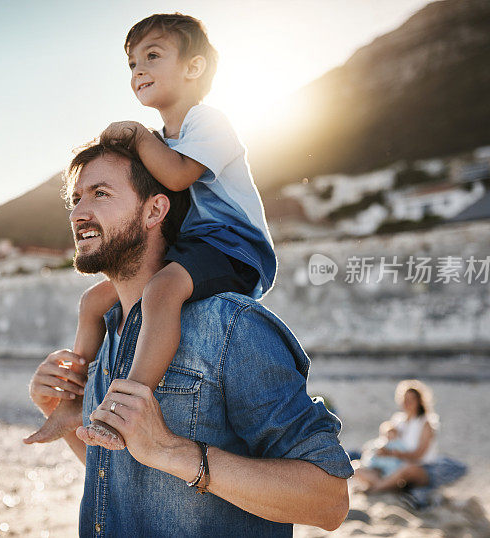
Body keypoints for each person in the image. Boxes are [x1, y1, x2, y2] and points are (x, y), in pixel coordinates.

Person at [27, 140, 352, 536]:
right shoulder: (107, 332)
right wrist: (60, 413)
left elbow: (329, 500)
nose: (79, 212)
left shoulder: (232, 326)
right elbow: (125, 479)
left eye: (101, 193)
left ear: (155, 211)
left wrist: (172, 450)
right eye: (75, 199)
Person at [26, 12, 278, 452]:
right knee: (92, 301)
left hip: (233, 246)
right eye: (131, 64)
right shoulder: (164, 138)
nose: (138, 70)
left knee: (162, 292)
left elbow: (178, 178)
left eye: (152, 56)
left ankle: (127, 402)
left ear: (193, 68)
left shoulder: (207, 122)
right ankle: (74, 397)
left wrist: (138, 135)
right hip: (193, 245)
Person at [354, 380, 466, 496]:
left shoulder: (425, 423)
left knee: (408, 469)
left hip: (421, 468)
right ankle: (389, 485)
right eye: (404, 399)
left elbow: (419, 455)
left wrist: (393, 453)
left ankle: (376, 488)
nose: (407, 403)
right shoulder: (398, 419)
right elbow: (386, 440)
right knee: (357, 468)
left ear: (419, 402)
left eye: (411, 400)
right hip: (394, 466)